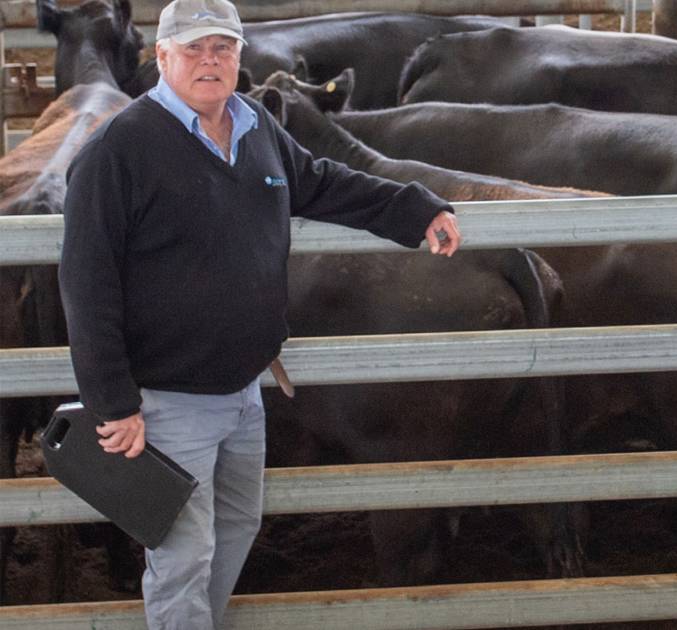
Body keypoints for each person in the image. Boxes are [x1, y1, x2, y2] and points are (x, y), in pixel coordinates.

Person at [57, 0, 461, 627]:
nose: (209, 61)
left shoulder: (252, 124)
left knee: (238, 527)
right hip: (167, 400)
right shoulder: (117, 149)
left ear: (240, 57)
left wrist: (416, 209)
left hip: (245, 392)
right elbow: (87, 282)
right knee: (183, 553)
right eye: (192, 48)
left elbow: (321, 182)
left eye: (222, 48)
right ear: (161, 57)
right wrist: (113, 401)